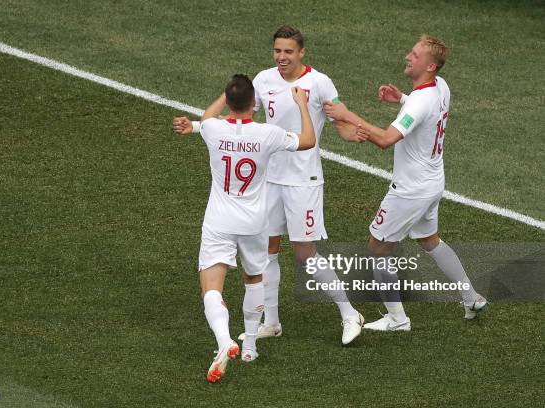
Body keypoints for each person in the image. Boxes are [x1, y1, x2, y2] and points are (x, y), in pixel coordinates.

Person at [173, 25, 366, 346]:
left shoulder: (319, 83)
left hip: (304, 180)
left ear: (302, 53)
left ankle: (349, 313)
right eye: (277, 51)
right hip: (269, 181)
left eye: (288, 52)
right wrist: (194, 126)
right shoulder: (263, 80)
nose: (281, 57)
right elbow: (240, 119)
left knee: (305, 252)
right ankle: (271, 322)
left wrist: (356, 133)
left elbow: (340, 122)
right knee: (269, 249)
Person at [324, 35, 487, 331]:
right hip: (433, 182)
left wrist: (347, 115)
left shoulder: (421, 102)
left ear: (430, 65)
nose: (407, 57)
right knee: (429, 241)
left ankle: (398, 319)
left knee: (377, 247)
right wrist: (401, 99)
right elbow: (424, 109)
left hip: (411, 190)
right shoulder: (440, 86)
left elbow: (386, 139)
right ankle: (471, 297)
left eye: (414, 54)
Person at [178, 74, 316, 382]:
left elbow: (207, 118)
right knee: (254, 277)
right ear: (254, 103)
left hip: (219, 220)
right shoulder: (267, 134)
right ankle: (250, 345)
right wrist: (303, 106)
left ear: (228, 100)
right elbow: (308, 140)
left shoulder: (212, 130)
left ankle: (225, 339)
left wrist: (225, 98)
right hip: (255, 221)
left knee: (211, 289)